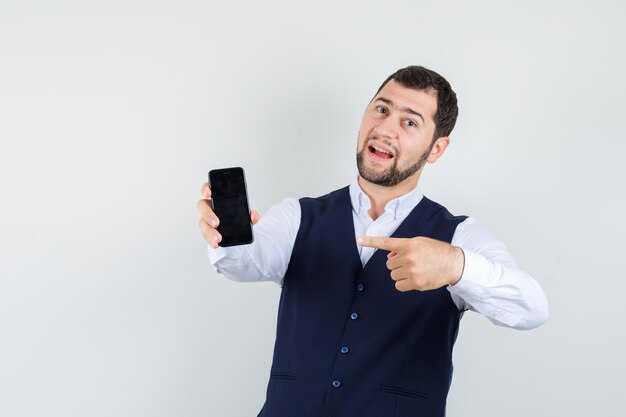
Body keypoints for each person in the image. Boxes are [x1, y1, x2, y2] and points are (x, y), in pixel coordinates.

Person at [196, 65, 549, 417]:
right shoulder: (297, 216)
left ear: (436, 148)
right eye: (381, 110)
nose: (385, 128)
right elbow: (244, 263)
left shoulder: (459, 235)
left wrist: (457, 267)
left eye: (409, 122)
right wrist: (226, 234)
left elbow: (530, 309)